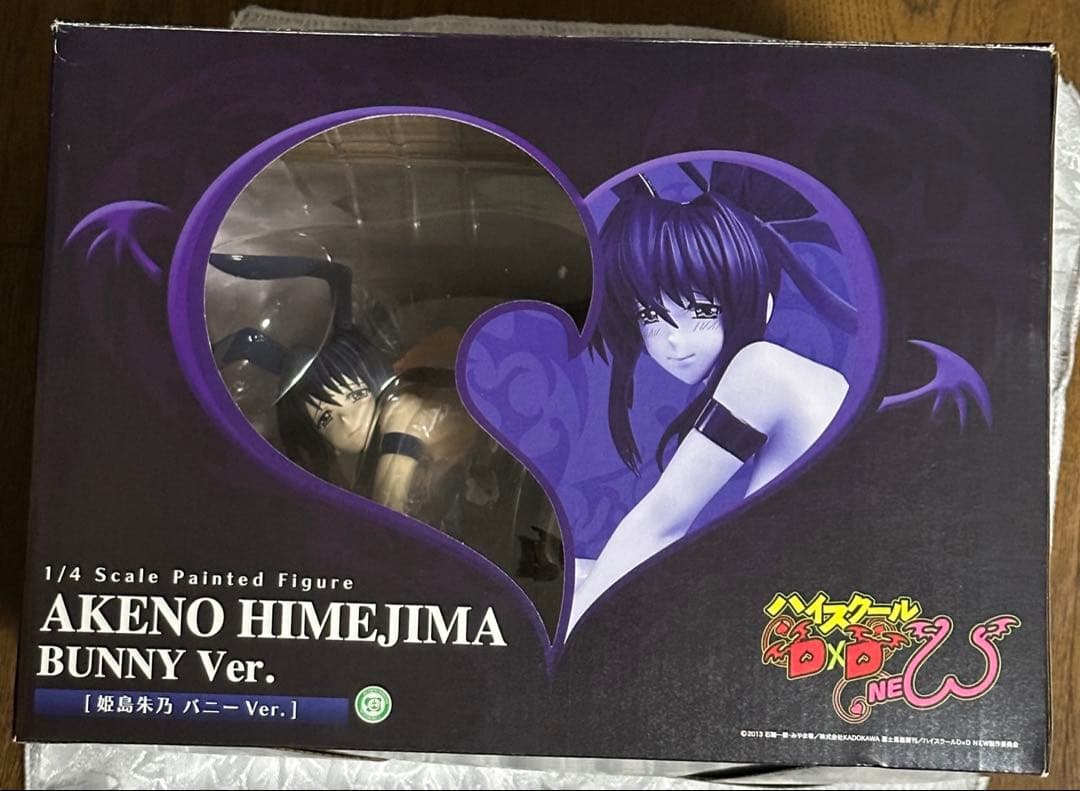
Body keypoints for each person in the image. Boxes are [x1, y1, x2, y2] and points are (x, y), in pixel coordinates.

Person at [567, 162, 856, 633]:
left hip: (785, 620)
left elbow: (662, 523)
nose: (673, 340)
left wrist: (565, 643)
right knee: (573, 573)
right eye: (650, 315)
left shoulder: (761, 370)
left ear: (758, 298)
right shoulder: (796, 377)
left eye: (701, 310)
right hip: (804, 607)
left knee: (571, 590)